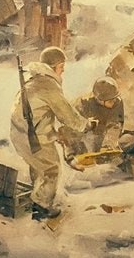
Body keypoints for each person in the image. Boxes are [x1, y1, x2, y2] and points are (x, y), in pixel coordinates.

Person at [9, 46, 93, 220]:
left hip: (20, 134)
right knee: (51, 169)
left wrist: (54, 134)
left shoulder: (33, 80)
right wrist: (86, 125)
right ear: (54, 66)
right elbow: (67, 115)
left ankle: (37, 197)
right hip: (34, 137)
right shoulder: (48, 85)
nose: (63, 71)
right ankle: (41, 207)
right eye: (62, 67)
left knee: (38, 166)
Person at [59, 77, 125, 157]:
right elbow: (69, 128)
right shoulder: (81, 104)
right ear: (99, 100)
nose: (114, 102)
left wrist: (109, 144)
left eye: (115, 99)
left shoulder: (117, 102)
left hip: (102, 135)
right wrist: (72, 152)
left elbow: (116, 124)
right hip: (82, 137)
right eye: (110, 101)